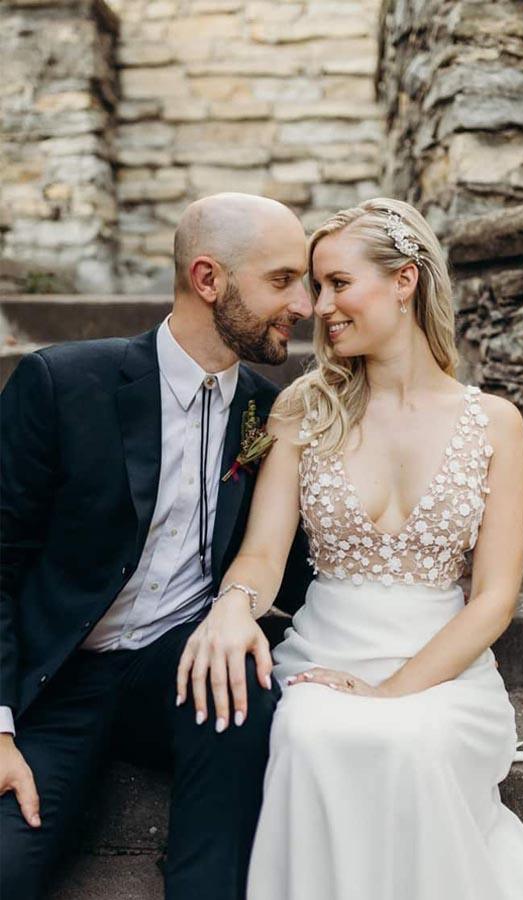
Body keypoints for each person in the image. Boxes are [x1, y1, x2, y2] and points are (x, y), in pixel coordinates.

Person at [180, 198, 523, 899]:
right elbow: (261, 554)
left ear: (405, 280)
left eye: (338, 284)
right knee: (313, 735)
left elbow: (495, 597)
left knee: (415, 741)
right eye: (316, 287)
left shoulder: (495, 423)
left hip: (444, 669)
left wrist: (394, 691)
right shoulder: (302, 412)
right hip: (324, 660)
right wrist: (231, 607)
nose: (318, 307)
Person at [0, 192, 313, 900]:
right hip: (55, 683)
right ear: (209, 280)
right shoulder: (62, 383)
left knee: (248, 688)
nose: (306, 305)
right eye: (283, 280)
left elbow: (287, 564)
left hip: (183, 665)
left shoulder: (268, 411)